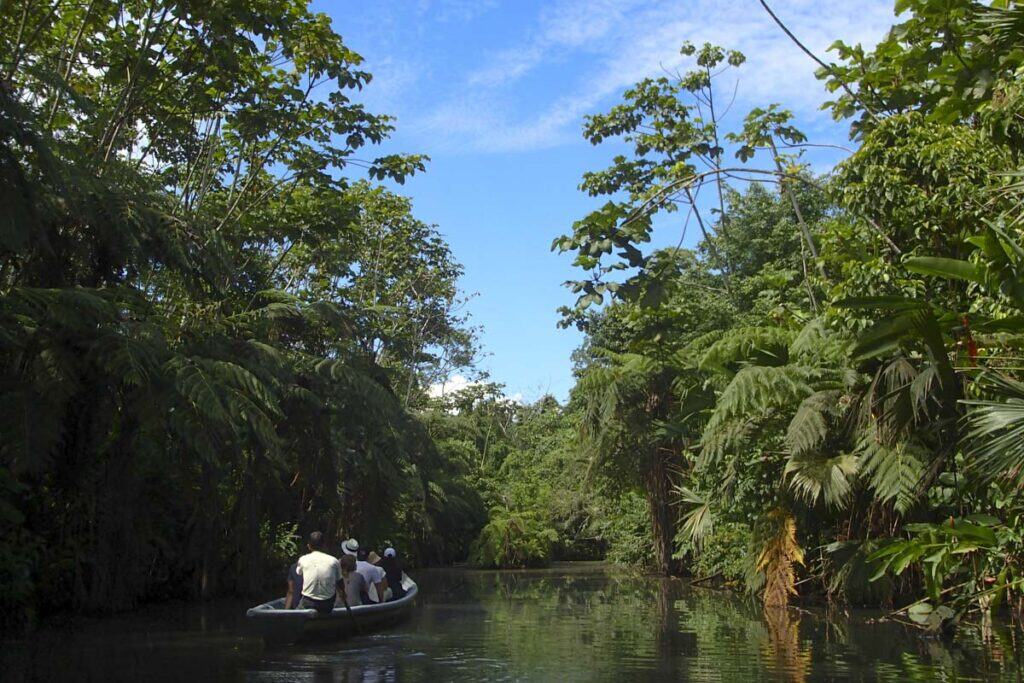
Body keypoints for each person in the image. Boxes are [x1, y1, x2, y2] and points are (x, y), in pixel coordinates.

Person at [295, 531, 342, 614]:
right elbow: (340, 582)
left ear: (309, 546)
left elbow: (299, 573)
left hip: (308, 601)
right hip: (327, 604)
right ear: (324, 545)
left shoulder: (303, 559)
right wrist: (343, 594)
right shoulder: (334, 561)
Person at [341, 538, 387, 603]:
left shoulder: (339, 564)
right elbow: (378, 588)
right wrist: (381, 602)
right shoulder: (371, 569)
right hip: (359, 599)